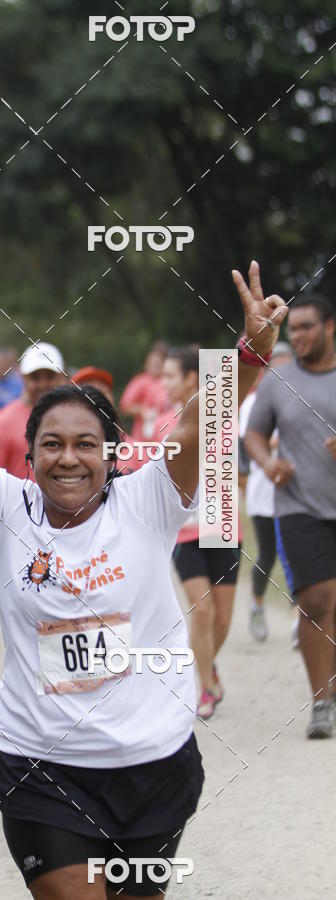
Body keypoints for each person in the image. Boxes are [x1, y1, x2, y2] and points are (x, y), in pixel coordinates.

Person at [0, 253, 286, 896]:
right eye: (51, 444)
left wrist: (250, 352)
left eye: (86, 443)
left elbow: (201, 422)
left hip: (154, 762)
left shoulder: (150, 500)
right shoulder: (3, 505)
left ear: (111, 454)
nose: (68, 458)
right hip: (41, 767)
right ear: (28, 455)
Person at [245, 294, 336, 739]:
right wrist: (266, 463)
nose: (297, 335)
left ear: (330, 327)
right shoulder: (277, 381)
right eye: (293, 328)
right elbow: (254, 433)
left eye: (306, 327)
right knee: (317, 600)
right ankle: (322, 703)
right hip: (298, 504)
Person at [157, 348, 242, 720]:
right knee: (202, 611)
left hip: (222, 523)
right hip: (183, 530)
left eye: (170, 376)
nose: (163, 384)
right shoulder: (160, 422)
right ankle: (204, 685)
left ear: (192, 378)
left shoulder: (223, 413)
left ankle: (208, 666)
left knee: (222, 618)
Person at [238, 343, 292, 641]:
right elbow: (250, 441)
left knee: (300, 555)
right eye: (276, 369)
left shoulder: (303, 400)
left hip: (299, 492)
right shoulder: (252, 404)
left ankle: (301, 618)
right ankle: (257, 603)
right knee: (268, 554)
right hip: (263, 493)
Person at [0, 342, 66, 477]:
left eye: (49, 376)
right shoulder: (4, 422)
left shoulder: (76, 417)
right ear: (23, 378)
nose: (43, 384)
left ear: (61, 377)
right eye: (35, 378)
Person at [120, 341, 171, 442]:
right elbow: (125, 405)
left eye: (157, 363)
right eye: (152, 362)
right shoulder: (141, 381)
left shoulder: (168, 380)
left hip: (166, 435)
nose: (154, 366)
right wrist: (144, 411)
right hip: (144, 438)